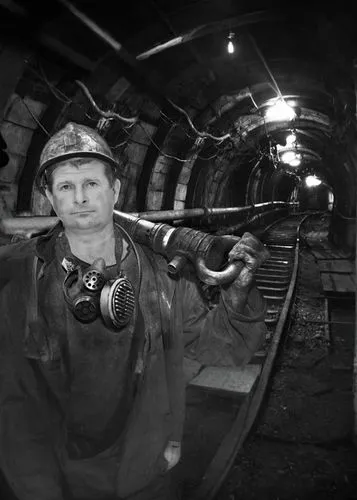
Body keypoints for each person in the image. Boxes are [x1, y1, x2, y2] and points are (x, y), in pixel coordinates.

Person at [0, 122, 270, 500]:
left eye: (92, 184)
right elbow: (14, 407)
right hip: (60, 475)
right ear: (48, 195)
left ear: (115, 190)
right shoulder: (21, 277)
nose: (80, 198)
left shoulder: (161, 274)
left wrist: (239, 295)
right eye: (65, 187)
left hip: (145, 468)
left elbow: (223, 349)